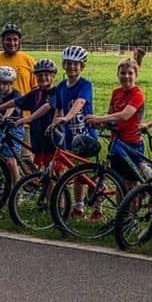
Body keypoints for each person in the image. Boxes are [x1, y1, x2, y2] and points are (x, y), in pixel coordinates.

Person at [47, 46, 101, 219]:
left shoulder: (85, 85)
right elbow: (59, 109)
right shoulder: (61, 86)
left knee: (89, 172)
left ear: (82, 67)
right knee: (76, 172)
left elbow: (79, 103)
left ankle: (98, 207)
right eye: (69, 63)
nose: (72, 67)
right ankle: (79, 206)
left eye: (76, 64)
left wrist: (67, 118)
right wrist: (54, 123)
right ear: (63, 64)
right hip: (70, 136)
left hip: (86, 136)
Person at [87, 56, 146, 191]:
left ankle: (132, 212)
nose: (126, 76)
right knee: (119, 182)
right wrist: (98, 124)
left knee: (131, 183)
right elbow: (110, 116)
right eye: (123, 73)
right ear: (117, 74)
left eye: (130, 73)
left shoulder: (138, 94)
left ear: (136, 75)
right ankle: (122, 211)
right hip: (116, 142)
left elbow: (125, 115)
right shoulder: (116, 92)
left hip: (132, 143)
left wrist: (99, 118)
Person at [0, 23, 36, 104]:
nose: (12, 43)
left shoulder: (30, 61)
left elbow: (35, 90)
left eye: (15, 39)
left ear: (19, 41)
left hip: (25, 114)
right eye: (8, 39)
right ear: (2, 41)